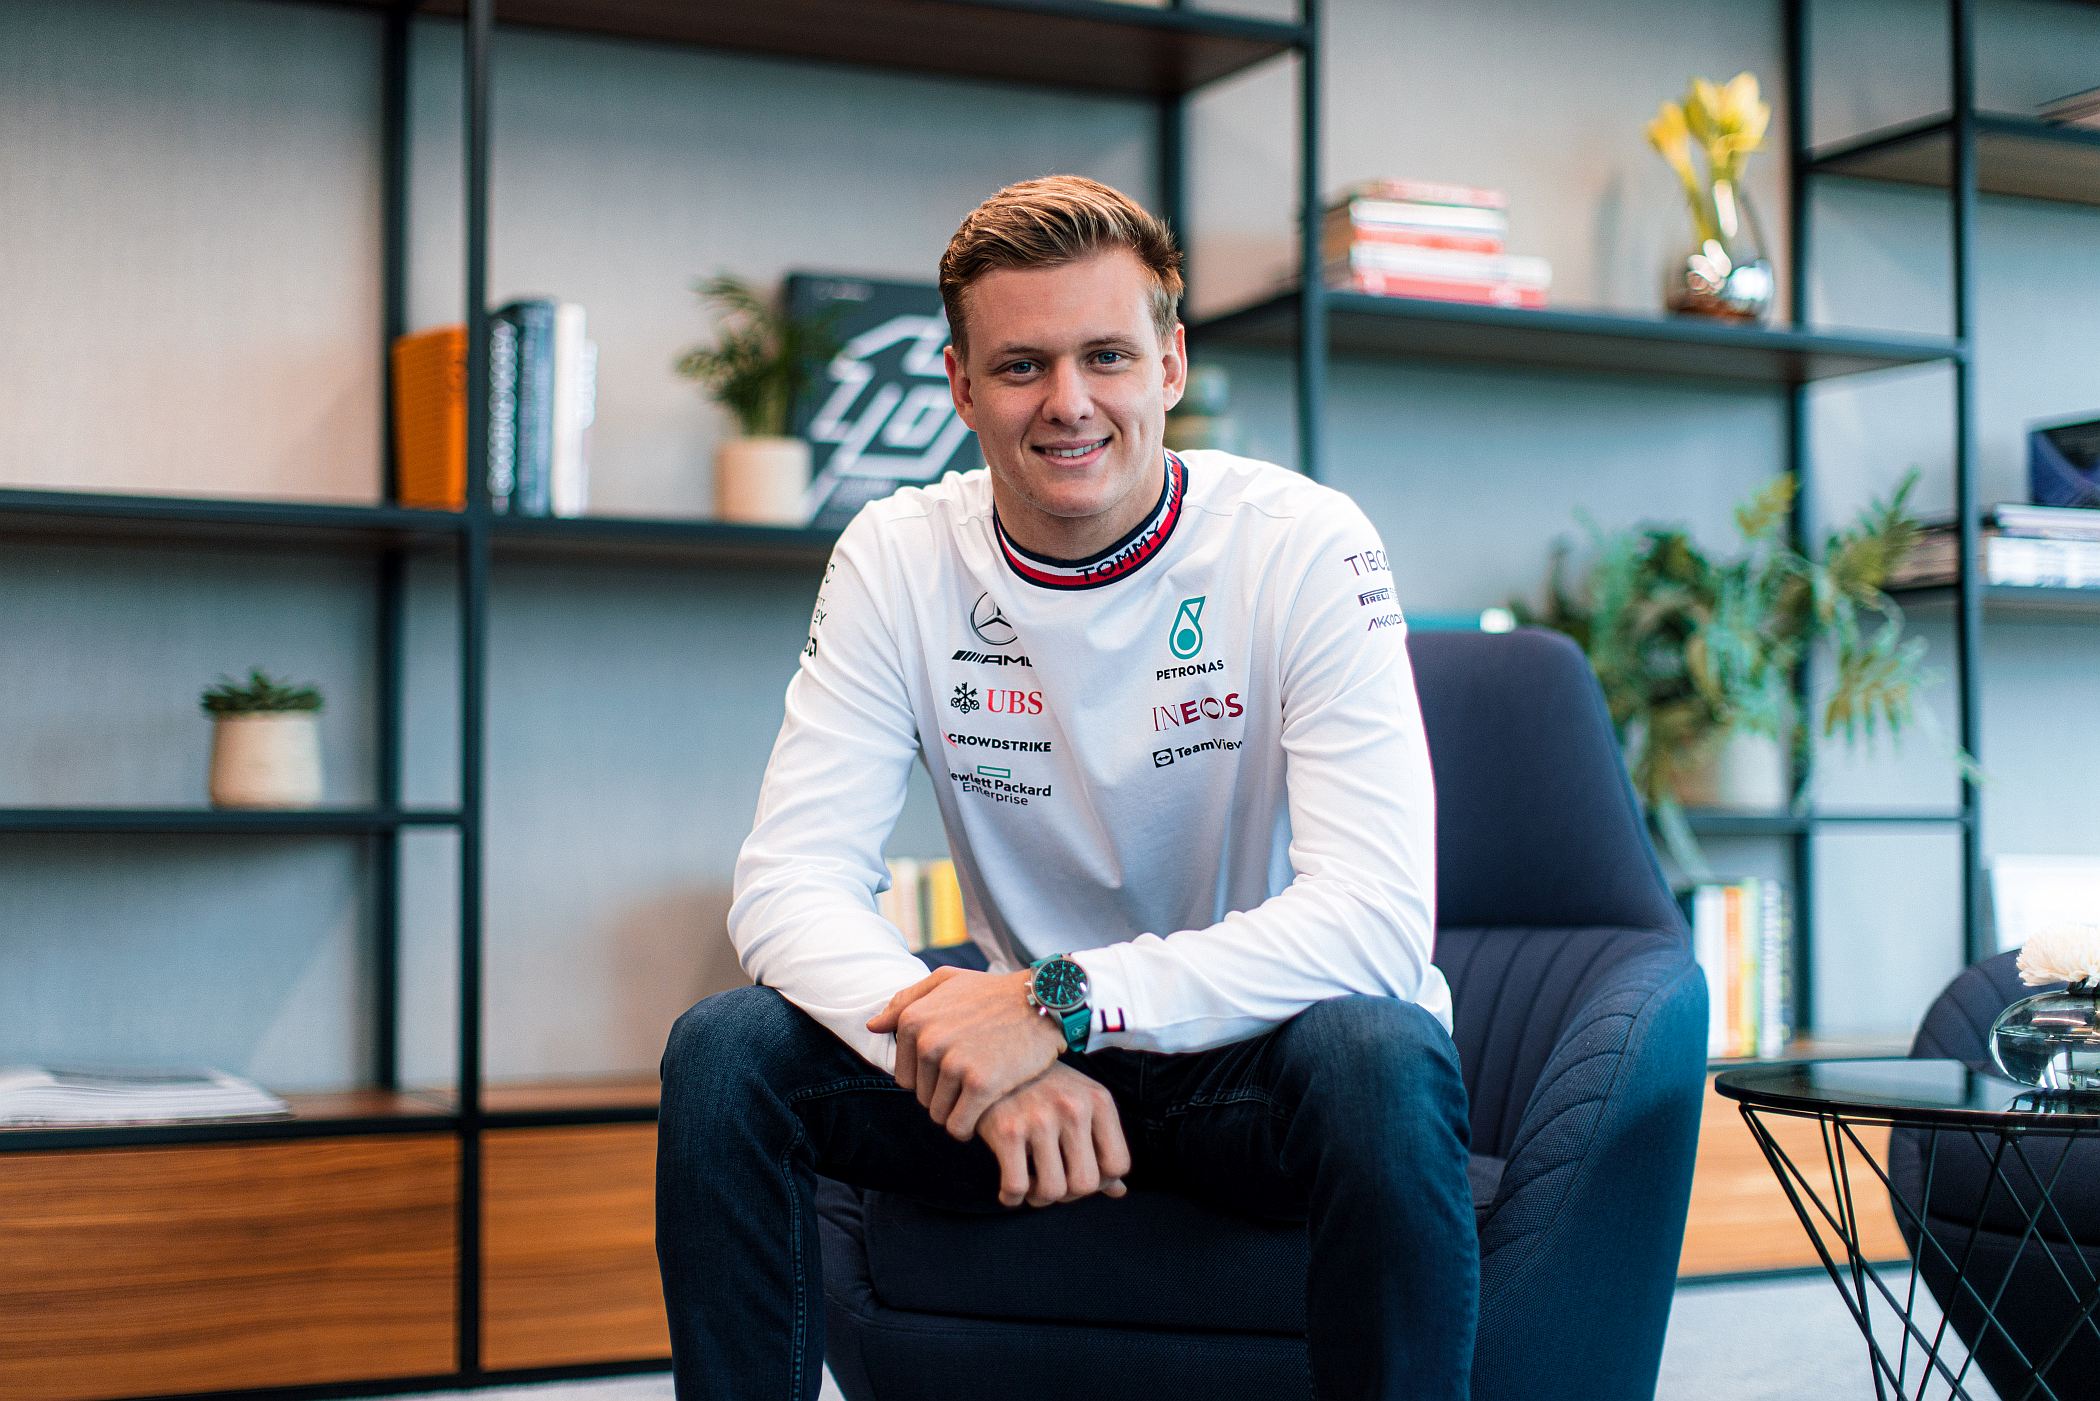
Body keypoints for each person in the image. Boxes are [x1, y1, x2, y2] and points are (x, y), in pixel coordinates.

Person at [656, 175, 1476, 1400]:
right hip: (1015, 1080)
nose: (1069, 402)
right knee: (727, 1052)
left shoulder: (1303, 541)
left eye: (1107, 356)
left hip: (1251, 1064)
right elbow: (788, 883)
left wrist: (1063, 1005)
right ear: (960, 386)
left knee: (1379, 1048)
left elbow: (1376, 919)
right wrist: (991, 1050)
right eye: (1021, 366)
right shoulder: (896, 555)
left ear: (1171, 364)